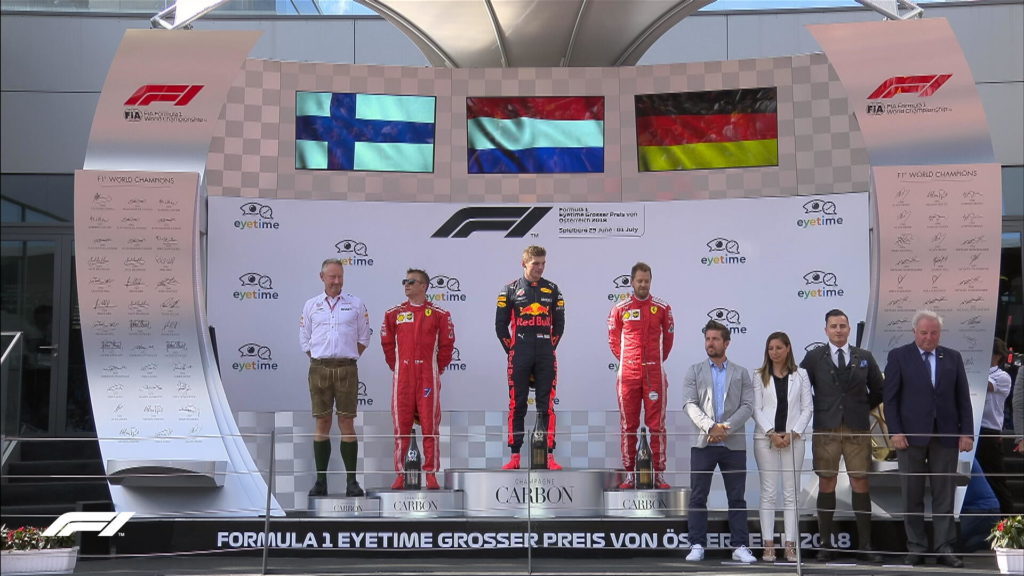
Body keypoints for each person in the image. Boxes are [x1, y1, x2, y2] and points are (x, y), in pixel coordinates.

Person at [884, 309, 974, 568]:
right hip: (909, 438)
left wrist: (966, 432)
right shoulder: (899, 356)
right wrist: (895, 431)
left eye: (934, 333)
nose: (929, 337)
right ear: (914, 332)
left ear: (940, 333)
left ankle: (944, 547)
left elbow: (963, 398)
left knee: (944, 495)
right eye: (924, 333)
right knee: (911, 495)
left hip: (945, 436)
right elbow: (890, 399)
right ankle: (916, 547)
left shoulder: (953, 357)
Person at [799, 309, 884, 563]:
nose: (838, 330)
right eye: (834, 326)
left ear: (849, 329)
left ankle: (865, 545)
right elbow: (800, 389)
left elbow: (879, 389)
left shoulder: (864, 356)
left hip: (857, 429)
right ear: (826, 330)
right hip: (826, 429)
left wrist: (860, 408)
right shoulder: (813, 357)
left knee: (860, 482)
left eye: (842, 326)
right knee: (827, 482)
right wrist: (820, 407)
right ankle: (825, 545)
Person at [682, 320, 756, 564]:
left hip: (733, 445)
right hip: (703, 443)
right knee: (698, 496)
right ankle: (696, 544)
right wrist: (710, 427)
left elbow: (748, 406)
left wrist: (725, 428)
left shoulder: (741, 373)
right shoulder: (694, 371)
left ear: (726, 343)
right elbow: (689, 404)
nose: (710, 343)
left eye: (715, 339)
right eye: (707, 339)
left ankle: (740, 546)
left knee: (737, 497)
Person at [299, 258, 370, 497]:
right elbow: (305, 339)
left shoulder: (356, 304)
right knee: (322, 422)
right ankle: (321, 482)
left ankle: (352, 482)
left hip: (347, 369)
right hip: (319, 368)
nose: (337, 281)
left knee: (347, 422)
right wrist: (322, 358)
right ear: (322, 277)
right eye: (332, 277)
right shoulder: (311, 305)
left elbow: (364, 339)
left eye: (340, 276)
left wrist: (344, 357)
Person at [380, 269, 455, 490]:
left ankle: (431, 474)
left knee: (430, 426)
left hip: (427, 377)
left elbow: (447, 346)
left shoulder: (440, 314)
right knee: (401, 426)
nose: (407, 285)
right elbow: (386, 344)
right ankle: (401, 474)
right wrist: (397, 366)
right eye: (405, 281)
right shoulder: (393, 314)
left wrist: (435, 368)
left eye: (412, 282)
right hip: (403, 377)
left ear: (424, 286)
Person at [495, 245, 565, 470]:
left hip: (545, 354)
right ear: (524, 263)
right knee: (517, 404)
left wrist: (547, 347)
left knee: (546, 406)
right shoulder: (509, 290)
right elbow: (500, 326)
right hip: (520, 354)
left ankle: (549, 456)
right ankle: (515, 456)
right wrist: (514, 351)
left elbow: (559, 326)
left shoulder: (553, 289)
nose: (540, 268)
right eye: (536, 263)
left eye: (543, 263)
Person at [607, 262, 675, 489]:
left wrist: (655, 361)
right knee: (628, 425)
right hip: (628, 373)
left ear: (650, 281)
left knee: (657, 426)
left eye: (646, 281)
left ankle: (658, 474)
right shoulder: (620, 308)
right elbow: (614, 341)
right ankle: (630, 474)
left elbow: (668, 341)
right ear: (632, 282)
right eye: (639, 281)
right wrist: (629, 361)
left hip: (654, 373)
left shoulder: (662, 308)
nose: (643, 285)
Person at [751, 332, 812, 563]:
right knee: (768, 492)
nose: (774, 352)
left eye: (778, 348)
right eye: (770, 348)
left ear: (788, 348)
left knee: (791, 493)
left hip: (794, 440)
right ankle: (768, 545)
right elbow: (756, 409)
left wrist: (793, 433)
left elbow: (807, 408)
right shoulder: (759, 375)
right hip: (766, 440)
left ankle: (790, 546)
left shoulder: (801, 374)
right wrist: (771, 433)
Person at [977, 338, 1012, 512]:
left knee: (995, 479)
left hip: (989, 432)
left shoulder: (1002, 376)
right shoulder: (977, 371)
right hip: (970, 429)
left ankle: (1007, 519)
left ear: (997, 356)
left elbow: (987, 385)